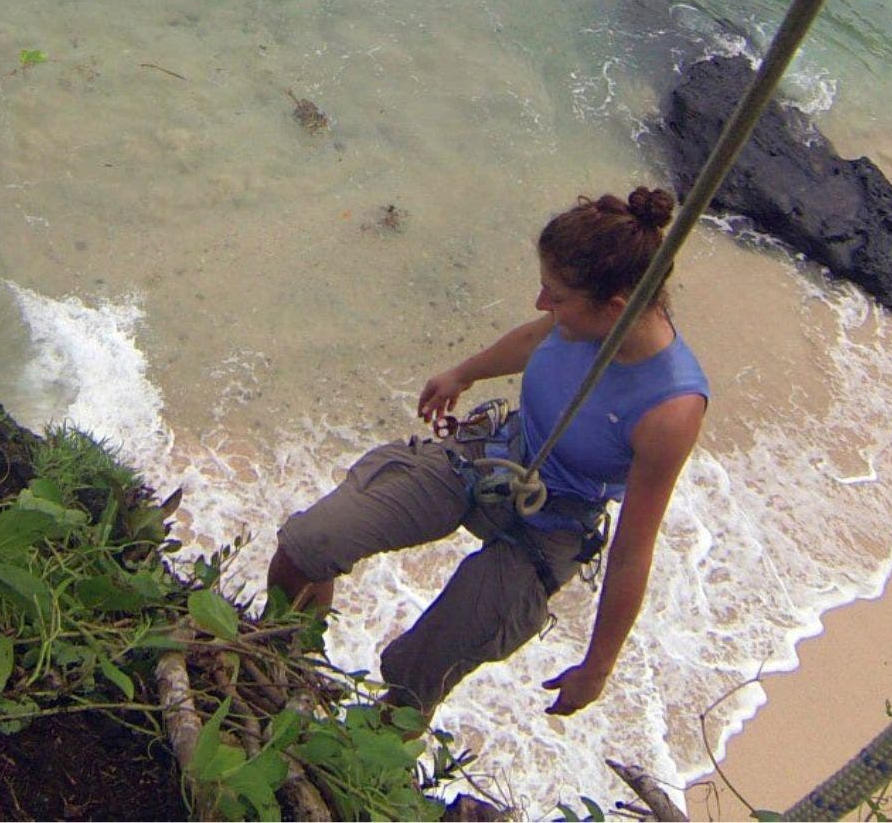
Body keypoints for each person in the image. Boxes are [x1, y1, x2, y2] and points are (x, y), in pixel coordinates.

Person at [267, 188, 709, 720]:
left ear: (616, 309)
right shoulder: (582, 315)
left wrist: (597, 667)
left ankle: (365, 750)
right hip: (491, 455)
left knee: (420, 675)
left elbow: (634, 552)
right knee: (308, 544)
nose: (543, 304)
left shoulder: (670, 409)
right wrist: (465, 372)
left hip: (553, 526)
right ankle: (287, 667)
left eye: (557, 296)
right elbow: (534, 338)